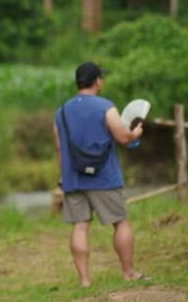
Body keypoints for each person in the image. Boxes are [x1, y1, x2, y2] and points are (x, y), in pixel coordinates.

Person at [53, 62, 146, 287]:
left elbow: (60, 148)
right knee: (121, 222)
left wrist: (62, 177)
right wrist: (136, 133)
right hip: (104, 176)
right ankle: (129, 273)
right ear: (98, 81)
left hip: (73, 177)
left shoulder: (62, 111)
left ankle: (85, 280)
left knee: (80, 225)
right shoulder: (105, 106)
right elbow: (123, 137)